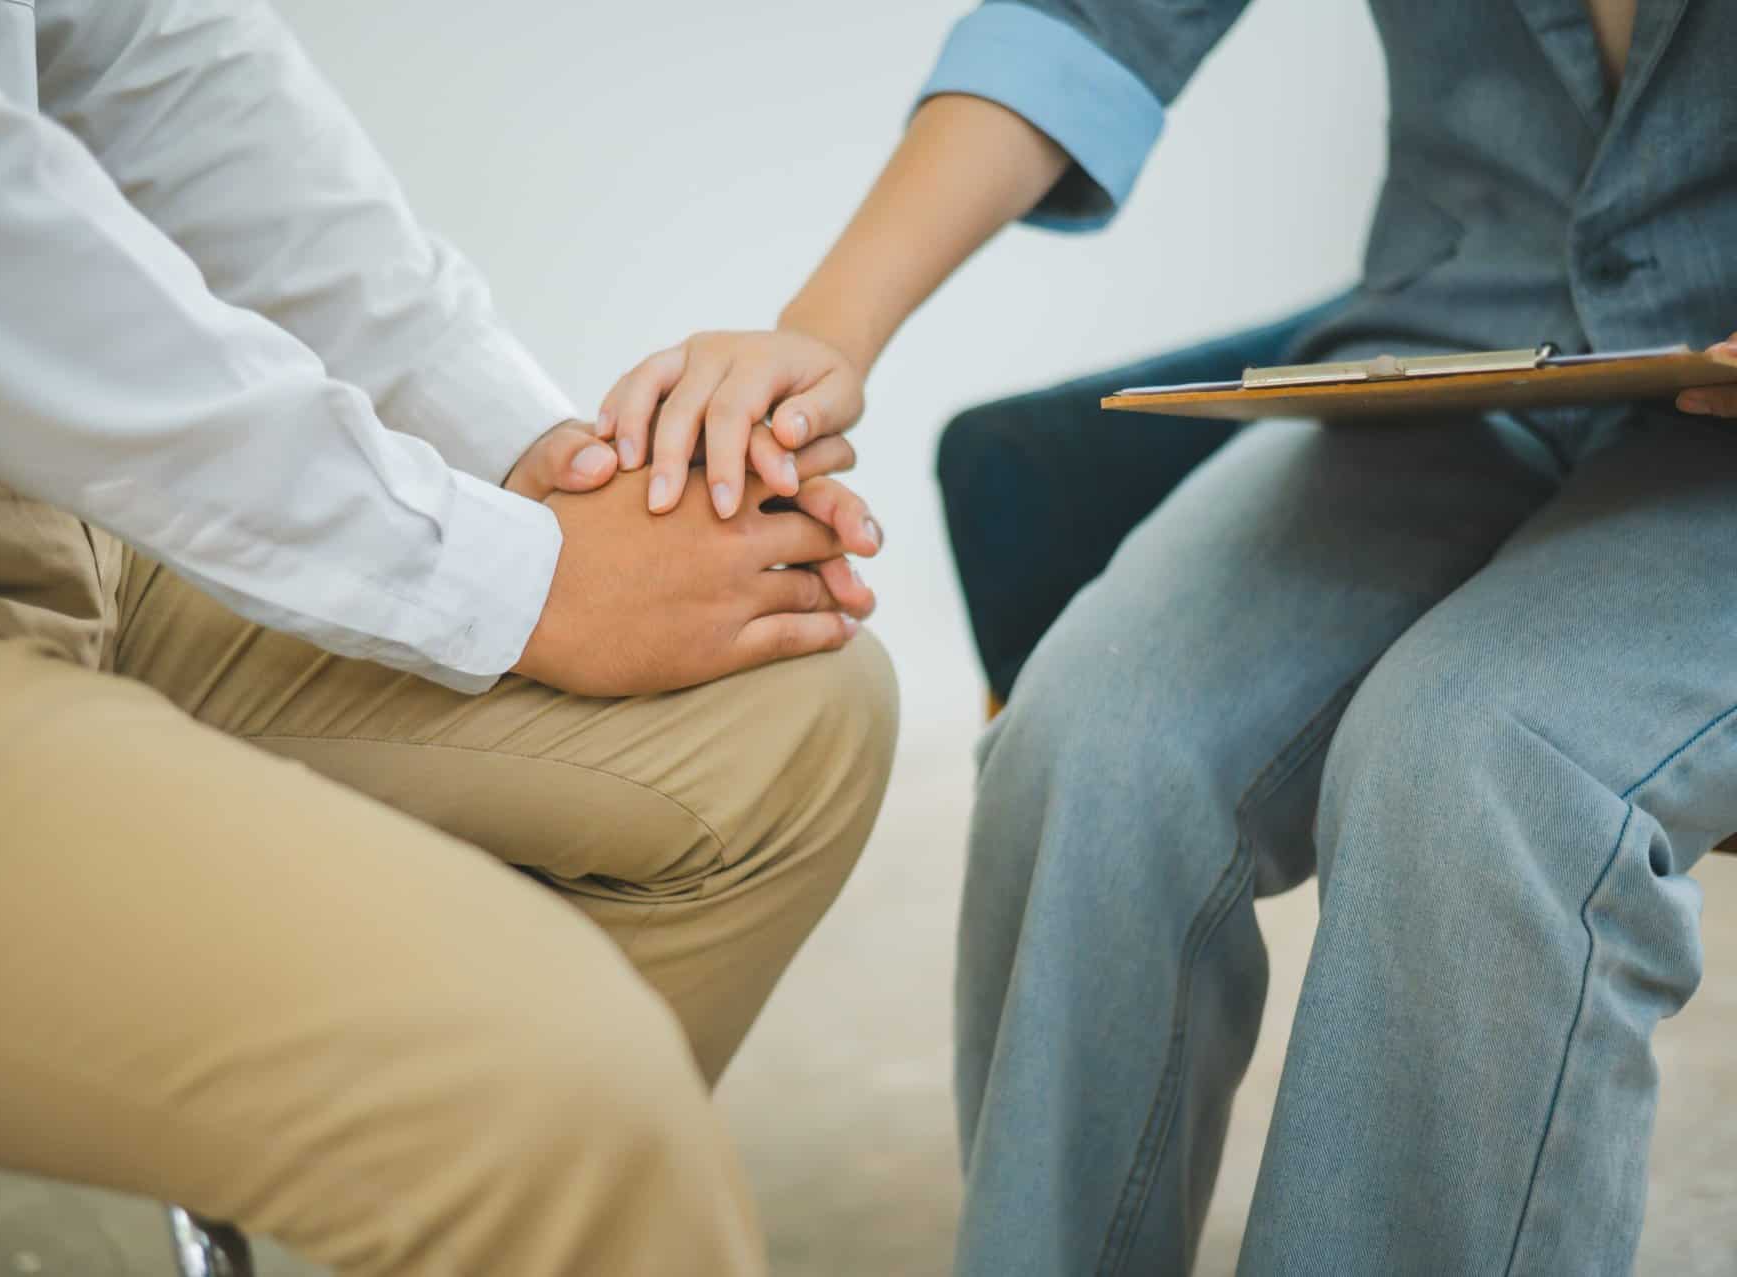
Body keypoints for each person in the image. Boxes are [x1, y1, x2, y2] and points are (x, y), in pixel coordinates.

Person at [602, 0, 1737, 1271]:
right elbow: (1088, 21)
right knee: (1095, 735)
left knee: (1476, 760)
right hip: (1461, 347)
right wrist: (824, 328)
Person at [0, 2, 898, 1274]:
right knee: (547, 1094)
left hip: (38, 488)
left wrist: (541, 466)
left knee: (792, 704)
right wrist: (519, 583)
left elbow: (143, 56)